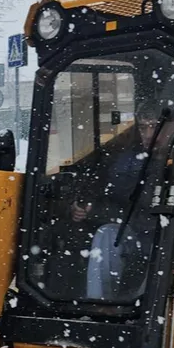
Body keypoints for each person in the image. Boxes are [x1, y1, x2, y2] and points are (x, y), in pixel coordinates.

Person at [69, 115, 163, 300]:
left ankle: (148, 309)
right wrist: (88, 209)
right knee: (107, 235)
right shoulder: (128, 162)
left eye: (154, 127)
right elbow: (118, 201)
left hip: (168, 240)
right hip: (136, 234)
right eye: (143, 128)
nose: (149, 134)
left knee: (164, 247)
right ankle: (101, 304)